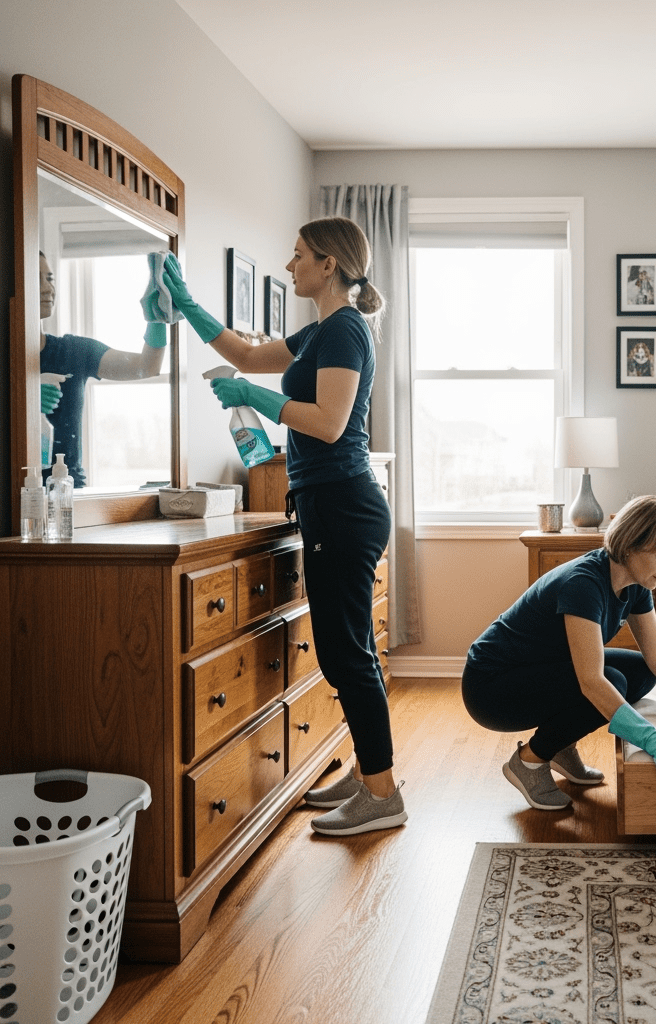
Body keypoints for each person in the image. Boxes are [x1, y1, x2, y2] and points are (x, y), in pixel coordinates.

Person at [156, 217, 402, 837]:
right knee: (350, 650)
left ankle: (382, 796)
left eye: (298, 256)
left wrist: (259, 399)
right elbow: (244, 354)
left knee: (345, 654)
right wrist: (187, 304)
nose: (289, 266)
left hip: (343, 506)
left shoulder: (345, 328)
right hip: (330, 505)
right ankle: (371, 775)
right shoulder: (321, 330)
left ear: (329, 264)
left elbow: (329, 424)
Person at [461, 495, 656, 811]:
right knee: (610, 681)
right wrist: (651, 738)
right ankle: (529, 761)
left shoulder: (636, 583)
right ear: (629, 546)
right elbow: (591, 681)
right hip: (492, 688)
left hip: (538, 668)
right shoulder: (583, 584)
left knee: (641, 672)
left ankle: (560, 744)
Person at [39, 252, 166, 485]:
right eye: (36, 280)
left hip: (70, 493)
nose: (48, 289)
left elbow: (147, 366)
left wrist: (155, 318)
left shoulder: (74, 351)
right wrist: (23, 397)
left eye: (49, 278)